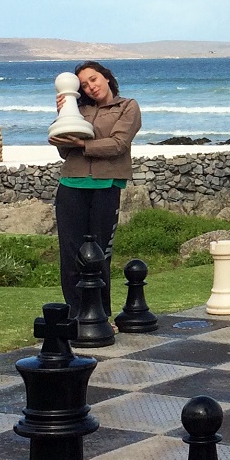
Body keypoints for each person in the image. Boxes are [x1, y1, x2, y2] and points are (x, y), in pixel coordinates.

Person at [50, 61, 141, 318]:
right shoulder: (77, 109)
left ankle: (100, 315)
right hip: (70, 184)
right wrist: (63, 115)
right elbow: (64, 150)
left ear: (107, 78)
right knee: (70, 255)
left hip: (106, 185)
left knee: (99, 253)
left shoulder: (128, 106)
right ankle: (76, 314)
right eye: (85, 85)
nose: (91, 87)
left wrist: (82, 143)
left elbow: (118, 144)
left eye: (94, 79)